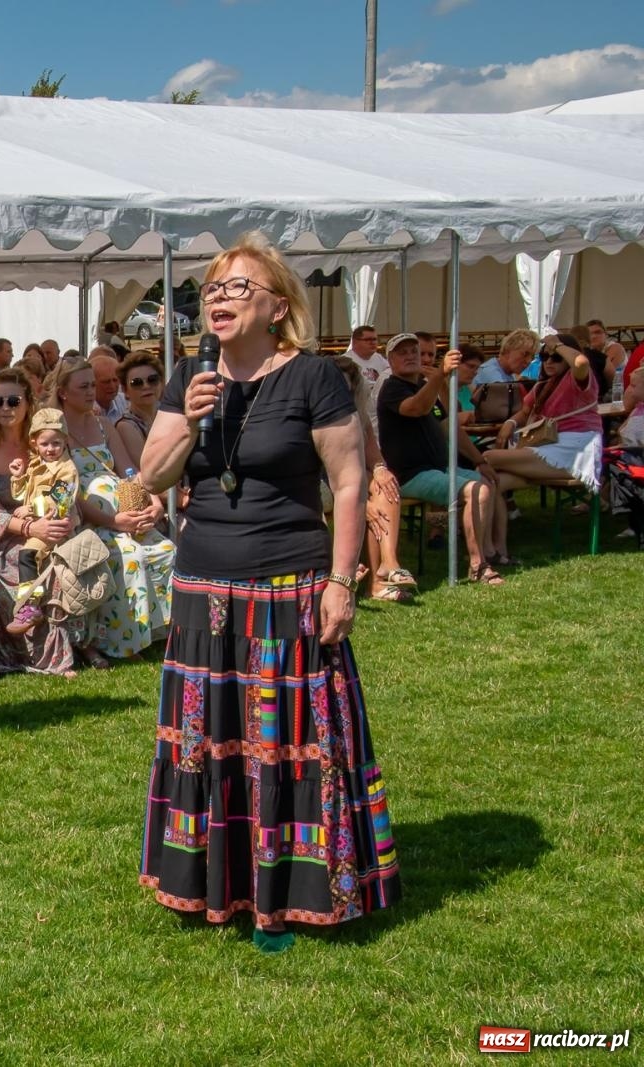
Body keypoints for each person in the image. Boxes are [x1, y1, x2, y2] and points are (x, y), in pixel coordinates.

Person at [138, 232, 400, 950]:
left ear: (277, 307)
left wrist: (345, 581)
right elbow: (152, 477)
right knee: (208, 742)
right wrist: (190, 417)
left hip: (288, 584)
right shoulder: (190, 376)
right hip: (203, 587)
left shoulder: (314, 378)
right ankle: (213, 884)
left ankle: (296, 889)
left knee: (291, 744)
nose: (218, 298)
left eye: (236, 287)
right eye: (212, 289)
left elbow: (347, 482)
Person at [54, 356, 173, 664]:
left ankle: (161, 632)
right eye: (83, 387)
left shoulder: (103, 424)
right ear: (64, 392)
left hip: (125, 508)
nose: (92, 392)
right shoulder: (56, 432)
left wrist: (155, 503)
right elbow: (69, 491)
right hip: (90, 519)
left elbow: (130, 471)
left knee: (165, 550)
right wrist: (112, 520)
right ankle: (124, 643)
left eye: (93, 385)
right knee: (129, 557)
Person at [0, 369, 80, 677]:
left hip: (42, 525)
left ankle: (76, 647)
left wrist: (56, 521)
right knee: (22, 562)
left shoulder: (42, 444)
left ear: (29, 403)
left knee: (61, 557)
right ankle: (31, 655)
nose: (5, 408)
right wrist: (30, 529)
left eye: (13, 400)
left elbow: (64, 487)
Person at [377, 334, 511, 583]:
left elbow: (450, 425)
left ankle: (488, 551)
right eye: (402, 353)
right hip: (410, 474)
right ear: (391, 360)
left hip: (437, 469)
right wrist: (438, 375)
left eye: (414, 352)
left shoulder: (422, 385)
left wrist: (480, 460)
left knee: (486, 480)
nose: (411, 357)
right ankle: (477, 564)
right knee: (477, 490)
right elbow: (417, 408)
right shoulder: (392, 387)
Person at [330, 356, 414, 603]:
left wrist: (379, 468)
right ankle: (376, 582)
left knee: (384, 487)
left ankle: (388, 564)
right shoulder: (317, 412)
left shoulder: (356, 409)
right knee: (369, 504)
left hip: (352, 473)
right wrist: (359, 502)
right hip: (324, 480)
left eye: (348, 385)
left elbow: (368, 440)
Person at [482, 333, 604, 497]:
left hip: (575, 450)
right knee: (491, 482)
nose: (548, 361)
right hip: (549, 445)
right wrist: (509, 423)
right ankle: (492, 520)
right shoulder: (544, 385)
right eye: (544, 356)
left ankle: (459, 512)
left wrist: (556, 345)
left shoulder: (576, 378)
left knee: (487, 458)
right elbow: (525, 412)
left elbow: (580, 362)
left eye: (556, 357)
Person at [6, 406, 79, 633]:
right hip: (41, 524)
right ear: (34, 443)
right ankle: (30, 604)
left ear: (65, 441)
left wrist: (31, 510)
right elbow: (21, 495)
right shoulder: (36, 465)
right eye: (45, 444)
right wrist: (18, 477)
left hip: (56, 527)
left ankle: (30, 605)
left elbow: (60, 502)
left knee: (27, 555)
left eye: (56, 443)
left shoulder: (67, 469)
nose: (50, 449)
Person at [111, 351, 163, 459]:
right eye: (137, 383)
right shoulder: (126, 426)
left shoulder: (168, 415)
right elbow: (146, 467)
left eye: (152, 379)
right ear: (125, 390)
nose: (146, 386)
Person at [88, 348, 126, 420]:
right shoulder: (84, 408)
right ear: (92, 383)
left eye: (115, 380)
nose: (112, 386)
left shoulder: (125, 402)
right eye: (106, 382)